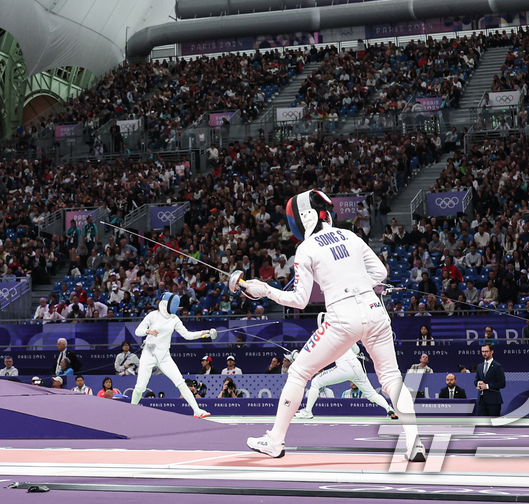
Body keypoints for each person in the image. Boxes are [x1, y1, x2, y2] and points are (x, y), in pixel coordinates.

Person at [238, 189, 420, 461]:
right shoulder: (350, 235)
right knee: (392, 378)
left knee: (299, 372)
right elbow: (381, 273)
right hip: (375, 311)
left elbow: (299, 301)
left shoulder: (305, 249)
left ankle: (275, 441)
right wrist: (359, 285)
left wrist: (266, 291)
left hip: (342, 318)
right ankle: (415, 445)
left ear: (304, 218)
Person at [131, 291, 217, 419]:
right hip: (149, 353)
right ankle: (131, 409)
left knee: (180, 382)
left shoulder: (174, 319)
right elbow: (138, 331)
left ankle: (197, 410)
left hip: (164, 355)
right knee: (140, 387)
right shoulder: (153, 315)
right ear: (166, 304)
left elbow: (187, 335)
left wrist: (205, 333)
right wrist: (148, 331)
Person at [295, 316, 399, 421]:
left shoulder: (325, 338)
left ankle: (308, 411)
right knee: (371, 394)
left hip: (344, 367)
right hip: (356, 366)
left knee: (316, 382)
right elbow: (357, 350)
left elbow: (316, 355)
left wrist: (297, 357)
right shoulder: (344, 332)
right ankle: (389, 409)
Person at [474, 343, 506, 417]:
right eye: (483, 351)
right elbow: (476, 381)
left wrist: (487, 386)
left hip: (493, 402)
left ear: (492, 352)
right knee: (481, 424)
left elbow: (502, 383)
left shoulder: (497, 366)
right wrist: (478, 383)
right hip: (481, 401)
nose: (484, 353)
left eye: (486, 351)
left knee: (493, 425)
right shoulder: (479, 366)